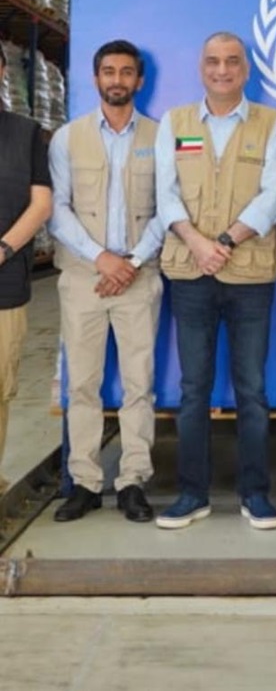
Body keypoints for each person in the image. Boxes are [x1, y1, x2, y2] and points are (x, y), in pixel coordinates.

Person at [153, 32, 276, 531]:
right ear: (200, 67)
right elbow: (165, 193)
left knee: (251, 390)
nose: (222, 70)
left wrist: (226, 242)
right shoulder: (177, 123)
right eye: (213, 61)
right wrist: (196, 241)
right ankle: (193, 494)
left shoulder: (271, 124)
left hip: (250, 274)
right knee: (194, 390)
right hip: (190, 273)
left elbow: (274, 196)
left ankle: (255, 494)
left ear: (246, 70)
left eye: (233, 61)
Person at [49, 40, 165, 523]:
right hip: (83, 278)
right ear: (95, 79)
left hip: (139, 277)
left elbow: (169, 208)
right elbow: (57, 209)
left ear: (139, 81)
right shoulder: (66, 138)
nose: (117, 80)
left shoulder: (161, 137)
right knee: (83, 384)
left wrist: (131, 261)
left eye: (126, 72)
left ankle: (134, 479)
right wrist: (101, 258)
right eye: (108, 72)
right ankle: (85, 481)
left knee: (140, 384)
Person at [0, 45, 53, 496]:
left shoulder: (25, 134)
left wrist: (3, 248)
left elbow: (41, 203)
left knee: (0, 387)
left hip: (4, 282)